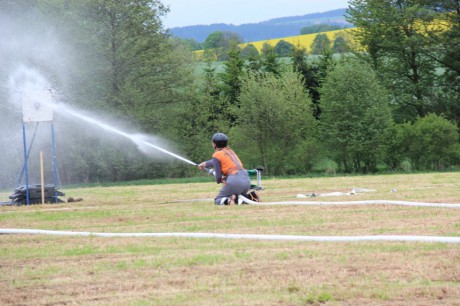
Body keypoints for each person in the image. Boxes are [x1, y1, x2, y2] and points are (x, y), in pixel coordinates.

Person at [198, 133, 260, 205]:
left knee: (218, 200)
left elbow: (218, 178)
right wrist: (205, 163)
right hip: (246, 180)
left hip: (235, 180)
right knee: (238, 197)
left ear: (214, 144)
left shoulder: (216, 154)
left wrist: (220, 178)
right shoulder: (230, 151)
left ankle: (228, 200)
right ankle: (251, 196)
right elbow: (218, 161)